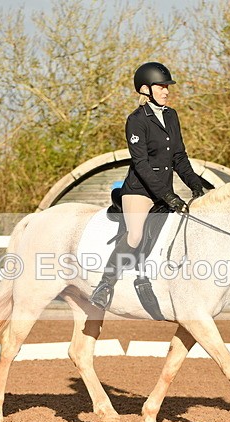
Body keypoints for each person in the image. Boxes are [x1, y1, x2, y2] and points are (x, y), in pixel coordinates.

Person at [89, 62, 208, 309]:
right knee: (135, 235)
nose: (166, 91)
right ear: (145, 89)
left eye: (167, 87)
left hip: (165, 191)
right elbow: (141, 164)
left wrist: (197, 186)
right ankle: (105, 284)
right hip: (139, 190)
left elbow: (179, 157)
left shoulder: (171, 116)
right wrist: (167, 195)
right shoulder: (136, 120)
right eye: (161, 86)